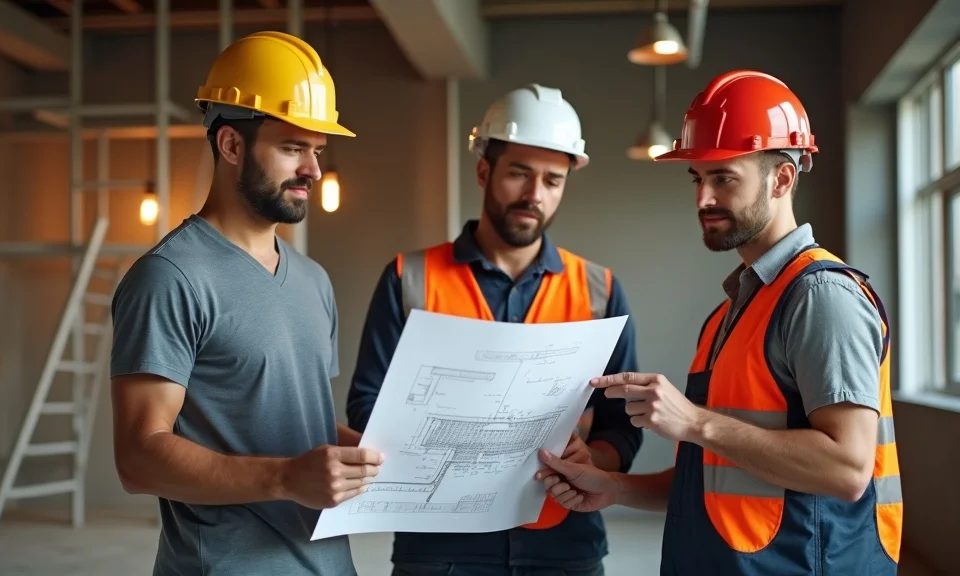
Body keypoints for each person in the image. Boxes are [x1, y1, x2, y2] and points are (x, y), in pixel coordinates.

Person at [536, 70, 903, 575]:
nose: (702, 198)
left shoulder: (822, 297)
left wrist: (692, 421)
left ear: (782, 179)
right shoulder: (733, 310)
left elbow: (847, 468)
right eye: (697, 178)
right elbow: (713, 477)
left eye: (724, 178)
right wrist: (616, 488)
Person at [108, 31, 383, 576]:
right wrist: (283, 478)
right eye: (292, 147)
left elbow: (304, 425)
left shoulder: (313, 281)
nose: (314, 170)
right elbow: (139, 457)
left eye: (318, 150)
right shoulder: (169, 277)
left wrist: (382, 451)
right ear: (231, 145)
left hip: (330, 564)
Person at [346, 83, 643, 576]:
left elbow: (622, 422)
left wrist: (594, 458)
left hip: (565, 547)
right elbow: (365, 405)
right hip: (437, 550)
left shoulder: (599, 290)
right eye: (519, 174)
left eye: (553, 180)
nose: (534, 195)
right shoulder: (408, 278)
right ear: (484, 171)